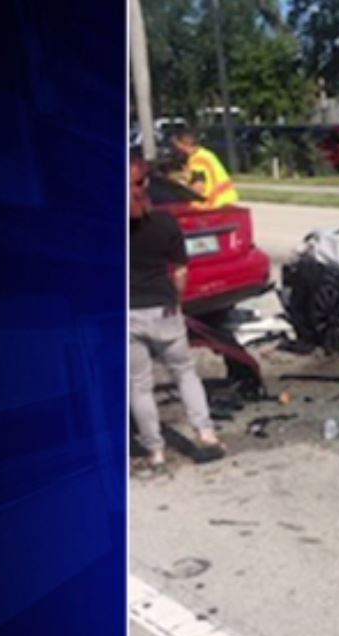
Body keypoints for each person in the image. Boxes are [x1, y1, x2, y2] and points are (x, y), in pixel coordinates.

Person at [130, 156, 224, 467]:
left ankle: (155, 451)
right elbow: (181, 271)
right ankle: (205, 434)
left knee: (139, 386)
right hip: (164, 309)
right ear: (146, 184)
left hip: (127, 315)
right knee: (184, 372)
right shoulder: (165, 223)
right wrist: (177, 300)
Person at [170, 129, 239, 210]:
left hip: (213, 203)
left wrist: (181, 192)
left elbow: (199, 187)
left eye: (176, 146)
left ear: (183, 144)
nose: (175, 149)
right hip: (224, 199)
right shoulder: (205, 153)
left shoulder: (197, 159)